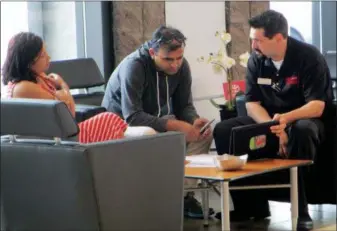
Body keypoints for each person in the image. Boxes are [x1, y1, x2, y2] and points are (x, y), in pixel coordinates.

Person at [213, 10, 334, 228]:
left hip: (303, 117)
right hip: (268, 120)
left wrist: (286, 121)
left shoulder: (309, 57)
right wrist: (273, 127)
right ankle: (249, 206)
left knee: (302, 131)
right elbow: (252, 104)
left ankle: (302, 210)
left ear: (279, 38)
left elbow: (317, 106)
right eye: (252, 40)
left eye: (258, 40)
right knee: (225, 129)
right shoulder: (256, 61)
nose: (253, 46)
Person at [101, 25, 214, 218]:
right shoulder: (134, 66)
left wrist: (194, 121)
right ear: (152, 52)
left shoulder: (181, 65)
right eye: (168, 59)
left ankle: (182, 196)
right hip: (118, 125)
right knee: (157, 133)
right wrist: (176, 125)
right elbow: (133, 117)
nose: (175, 65)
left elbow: (184, 106)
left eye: (179, 58)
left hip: (154, 120)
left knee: (201, 136)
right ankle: (161, 197)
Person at [1, 32, 131, 143]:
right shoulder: (23, 88)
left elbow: (70, 112)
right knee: (108, 120)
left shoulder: (39, 78)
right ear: (28, 62)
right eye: (42, 55)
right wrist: (62, 85)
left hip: (60, 135)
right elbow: (65, 111)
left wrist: (62, 93)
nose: (48, 57)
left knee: (110, 120)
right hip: (53, 141)